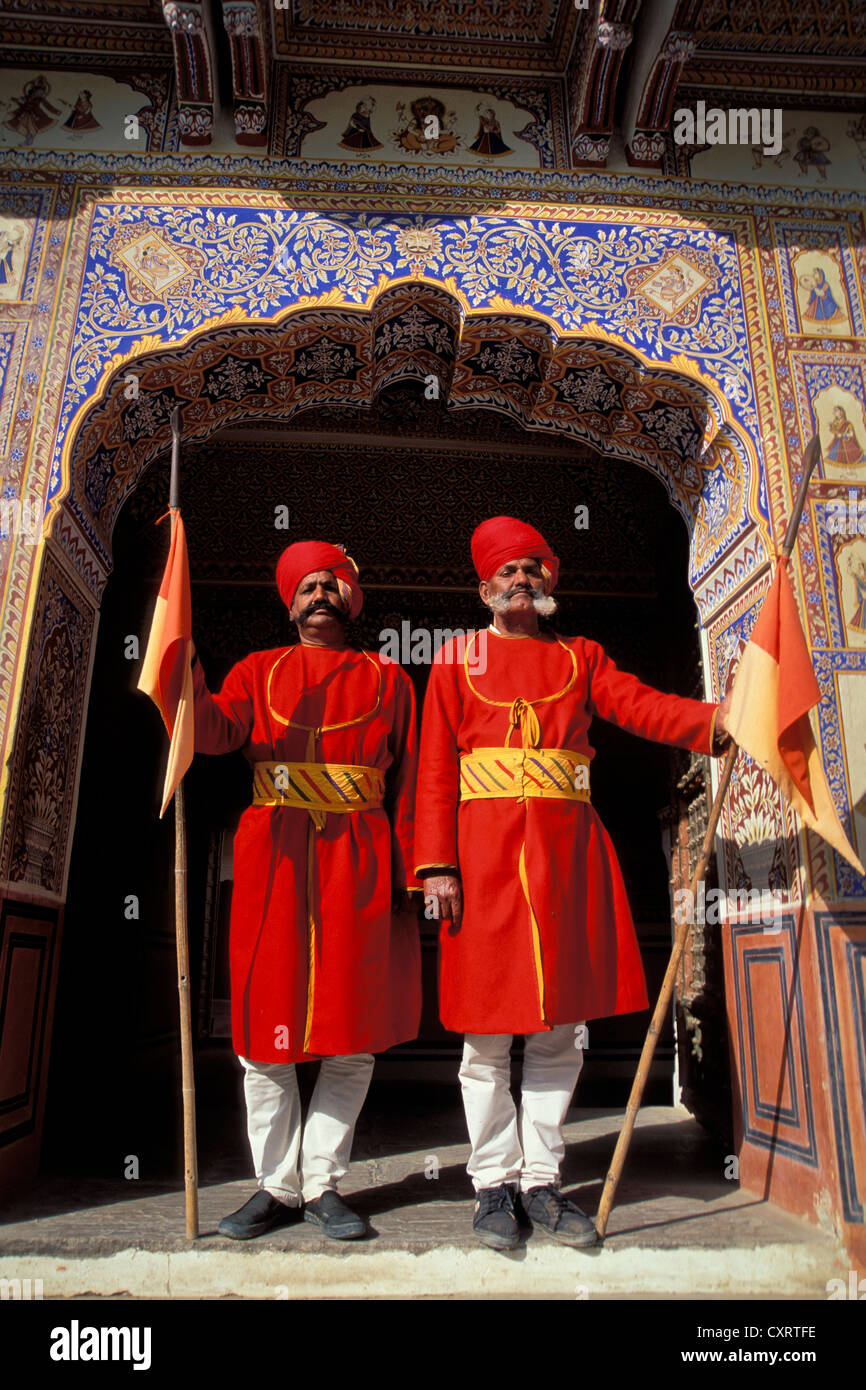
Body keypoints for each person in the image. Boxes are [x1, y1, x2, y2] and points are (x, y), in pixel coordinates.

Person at [414, 516, 729, 1250]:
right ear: (484, 587)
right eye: (509, 571)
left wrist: (719, 723)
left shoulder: (583, 657)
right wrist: (435, 865)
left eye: (534, 568)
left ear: (549, 580)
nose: (523, 580)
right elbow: (433, 771)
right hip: (481, 863)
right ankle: (492, 1182)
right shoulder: (454, 661)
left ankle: (542, 1180)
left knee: (561, 1030)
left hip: (568, 861)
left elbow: (646, 707)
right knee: (486, 1040)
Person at [192, 541, 421, 1240]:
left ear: (351, 599)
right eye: (307, 586)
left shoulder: (389, 678)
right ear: (288, 602)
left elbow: (411, 785)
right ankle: (275, 1187)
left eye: (332, 584)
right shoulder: (256, 671)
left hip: (361, 856)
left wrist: (417, 869)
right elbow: (211, 733)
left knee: (351, 1037)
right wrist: (183, 665)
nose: (320, 594)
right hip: (277, 859)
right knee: (267, 1035)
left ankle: (322, 1183)